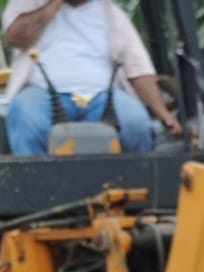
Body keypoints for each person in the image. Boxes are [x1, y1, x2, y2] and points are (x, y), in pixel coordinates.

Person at [3, 0, 180, 156]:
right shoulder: (29, 4)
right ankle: (35, 181)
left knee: (136, 122)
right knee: (24, 114)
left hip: (104, 97)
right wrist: (54, 4)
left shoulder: (113, 15)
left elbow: (138, 69)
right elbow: (14, 37)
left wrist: (163, 113)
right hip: (42, 94)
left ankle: (133, 180)